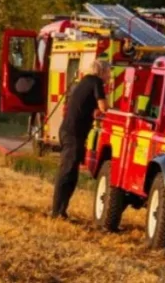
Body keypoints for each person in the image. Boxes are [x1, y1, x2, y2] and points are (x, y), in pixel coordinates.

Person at [51, 59, 111, 219]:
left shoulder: (85, 81)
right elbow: (104, 107)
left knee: (72, 173)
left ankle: (61, 210)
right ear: (102, 71)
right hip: (73, 133)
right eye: (108, 73)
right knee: (66, 172)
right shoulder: (96, 82)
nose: (109, 76)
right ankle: (56, 211)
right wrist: (111, 110)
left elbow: (86, 105)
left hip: (70, 132)